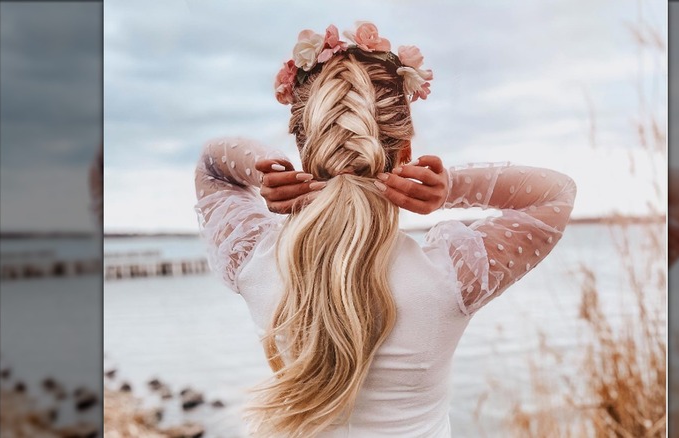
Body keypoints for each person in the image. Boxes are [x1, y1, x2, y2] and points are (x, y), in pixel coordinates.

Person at [194, 22, 576, 438]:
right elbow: (555, 194)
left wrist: (267, 169)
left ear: (305, 150)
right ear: (405, 151)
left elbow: (212, 164)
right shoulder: (449, 277)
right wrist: (449, 189)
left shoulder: (255, 259)